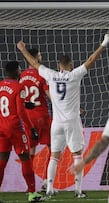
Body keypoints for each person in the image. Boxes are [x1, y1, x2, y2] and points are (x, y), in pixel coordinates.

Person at [17, 33, 109, 198]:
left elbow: (33, 62)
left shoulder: (51, 75)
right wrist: (104, 43)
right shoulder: (75, 75)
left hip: (57, 123)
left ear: (58, 66)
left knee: (54, 156)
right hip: (72, 122)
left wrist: (23, 49)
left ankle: (49, 189)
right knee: (77, 155)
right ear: (71, 65)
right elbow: (91, 60)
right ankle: (77, 190)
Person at [0, 61, 44, 202]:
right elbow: (20, 112)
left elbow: (8, 103)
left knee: (2, 161)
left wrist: (24, 103)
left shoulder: (0, 86)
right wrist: (31, 128)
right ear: (14, 72)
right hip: (15, 129)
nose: (21, 72)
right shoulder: (19, 87)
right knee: (25, 159)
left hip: (1, 128)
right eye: (19, 69)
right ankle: (32, 194)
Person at [19, 48, 52, 191]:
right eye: (40, 55)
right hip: (42, 116)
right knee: (53, 148)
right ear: (35, 58)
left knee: (30, 151)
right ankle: (46, 181)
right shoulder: (42, 74)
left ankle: (30, 186)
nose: (41, 56)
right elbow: (49, 95)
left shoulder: (22, 76)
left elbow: (20, 97)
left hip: (27, 117)